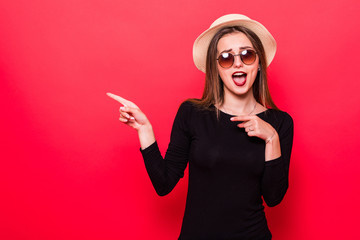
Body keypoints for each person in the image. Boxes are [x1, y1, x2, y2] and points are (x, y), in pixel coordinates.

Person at [107, 14, 294, 240]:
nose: (237, 63)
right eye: (226, 57)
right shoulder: (192, 114)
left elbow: (274, 197)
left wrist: (271, 138)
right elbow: (163, 183)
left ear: (259, 63)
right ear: (215, 68)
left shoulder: (279, 123)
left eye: (247, 54)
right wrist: (144, 129)